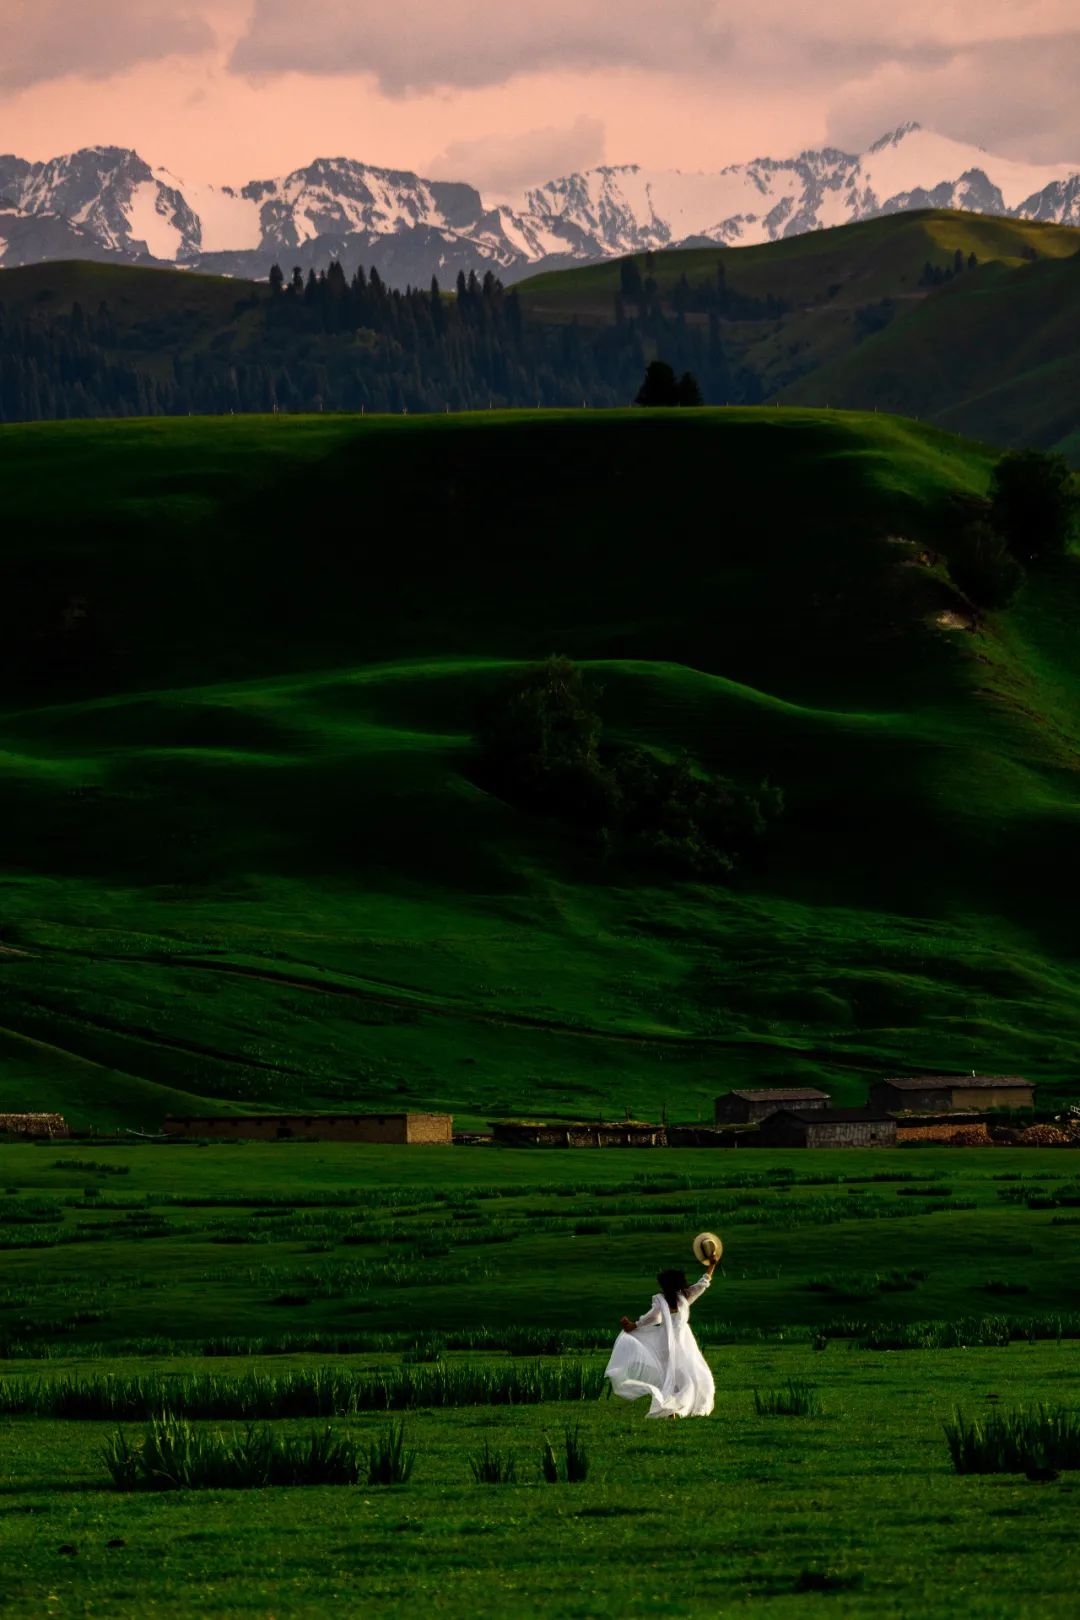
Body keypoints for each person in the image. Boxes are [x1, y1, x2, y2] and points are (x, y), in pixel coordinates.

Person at [604, 1253, 718, 1418]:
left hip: (667, 1342)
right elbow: (703, 1283)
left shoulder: (664, 1299)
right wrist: (712, 1264)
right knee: (690, 1375)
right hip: (683, 1343)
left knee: (670, 1377)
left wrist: (633, 1325)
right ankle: (675, 1407)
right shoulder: (684, 1297)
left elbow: (652, 1317)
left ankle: (671, 1407)